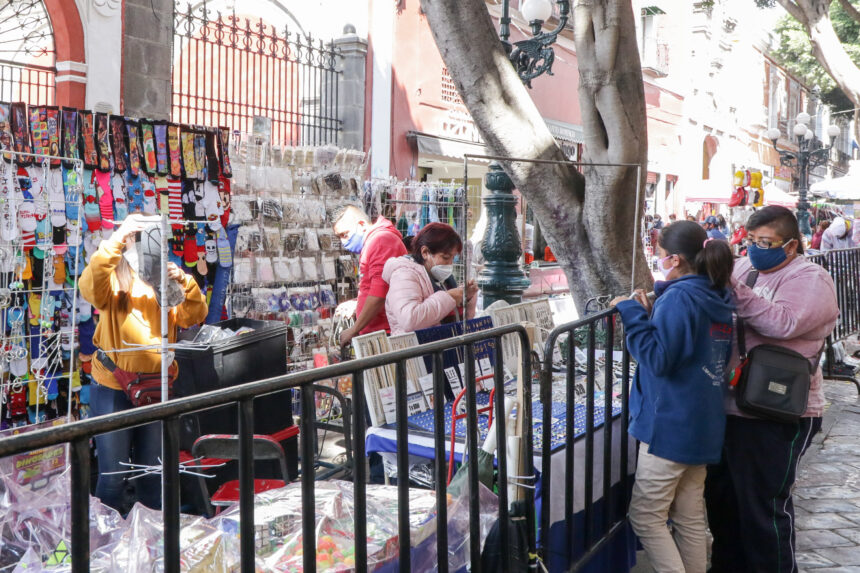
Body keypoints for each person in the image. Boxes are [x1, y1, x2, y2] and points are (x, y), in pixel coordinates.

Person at [705, 206, 839, 573]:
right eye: (750, 241)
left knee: (762, 508)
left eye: (765, 242)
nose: (755, 249)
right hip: (732, 405)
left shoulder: (811, 279)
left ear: (791, 246)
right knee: (723, 503)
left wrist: (732, 289)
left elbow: (783, 322)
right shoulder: (744, 268)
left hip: (776, 409)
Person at [610, 221, 735, 573]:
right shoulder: (715, 293)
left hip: (671, 427)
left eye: (661, 255)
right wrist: (651, 312)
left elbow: (658, 359)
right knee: (689, 517)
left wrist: (631, 312)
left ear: (676, 260)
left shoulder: (681, 297)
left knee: (646, 516)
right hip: (703, 423)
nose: (659, 261)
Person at [80, 215, 208, 513]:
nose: (149, 246)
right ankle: (104, 545)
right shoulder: (115, 276)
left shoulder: (163, 276)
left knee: (152, 475)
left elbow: (194, 315)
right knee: (112, 478)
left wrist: (185, 280)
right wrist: (116, 238)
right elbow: (89, 288)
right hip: (115, 384)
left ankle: (151, 544)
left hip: (155, 387)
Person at [382, 222, 477, 334]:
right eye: (445, 257)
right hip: (416, 348)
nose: (450, 263)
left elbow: (455, 317)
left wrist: (466, 297)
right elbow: (409, 319)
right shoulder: (403, 275)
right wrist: (450, 296)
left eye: (453, 257)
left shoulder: (441, 278)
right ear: (425, 252)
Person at [332, 204, 407, 345]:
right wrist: (358, 303)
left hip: (386, 334)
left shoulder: (380, 241)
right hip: (381, 332)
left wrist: (353, 330)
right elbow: (377, 288)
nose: (343, 241)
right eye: (339, 237)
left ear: (361, 225)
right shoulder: (375, 241)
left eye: (345, 234)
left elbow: (380, 293)